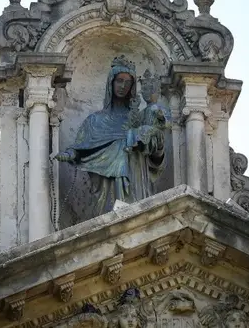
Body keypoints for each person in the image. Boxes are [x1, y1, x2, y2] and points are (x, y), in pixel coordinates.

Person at [55, 55, 168, 216]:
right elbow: (82, 147)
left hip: (136, 180)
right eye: (119, 81)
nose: (123, 86)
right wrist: (69, 153)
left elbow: (156, 157)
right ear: (111, 83)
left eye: (128, 83)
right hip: (105, 191)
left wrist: (152, 136)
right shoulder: (95, 120)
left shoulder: (139, 118)